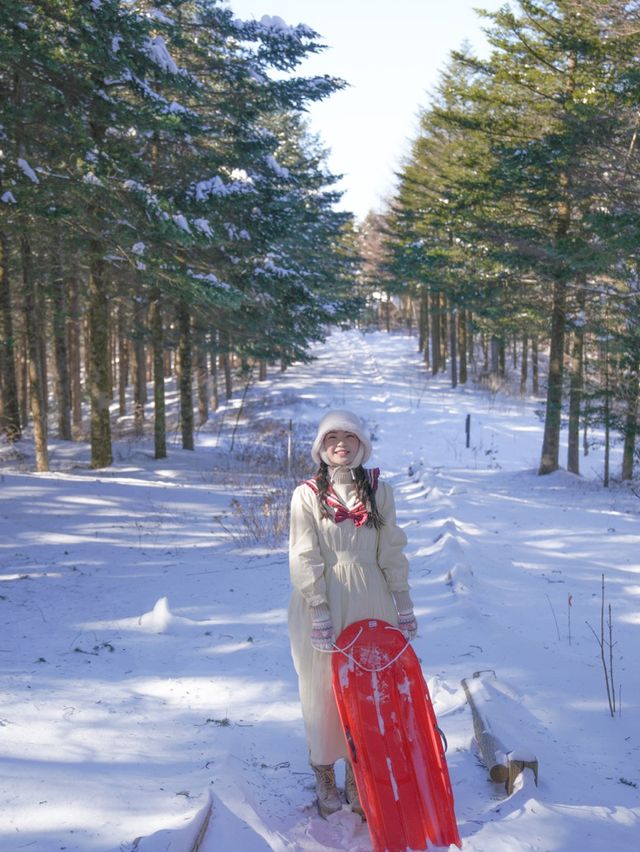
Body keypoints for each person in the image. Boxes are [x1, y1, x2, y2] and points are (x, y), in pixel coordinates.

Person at [288, 409, 417, 819]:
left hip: (371, 596)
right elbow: (304, 553)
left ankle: (359, 774)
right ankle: (324, 770)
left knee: (369, 688)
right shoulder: (307, 494)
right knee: (323, 687)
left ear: (362, 444)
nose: (340, 444)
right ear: (321, 448)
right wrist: (319, 606)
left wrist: (403, 603)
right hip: (323, 597)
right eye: (331, 438)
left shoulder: (380, 491)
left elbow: (391, 550)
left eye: (348, 437)